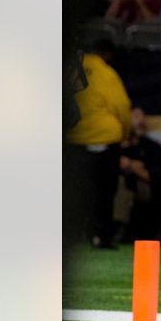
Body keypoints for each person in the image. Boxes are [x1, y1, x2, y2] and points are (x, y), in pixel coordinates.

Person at [66, 39, 132, 248]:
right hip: (105, 138)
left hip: (74, 139)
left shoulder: (68, 68)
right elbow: (121, 105)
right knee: (105, 192)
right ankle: (101, 236)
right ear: (108, 54)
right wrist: (124, 133)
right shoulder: (105, 71)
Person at [117, 106, 161, 243]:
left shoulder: (153, 147)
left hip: (145, 191)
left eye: (142, 117)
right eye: (135, 116)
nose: (140, 120)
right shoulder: (118, 146)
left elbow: (155, 176)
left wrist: (130, 165)